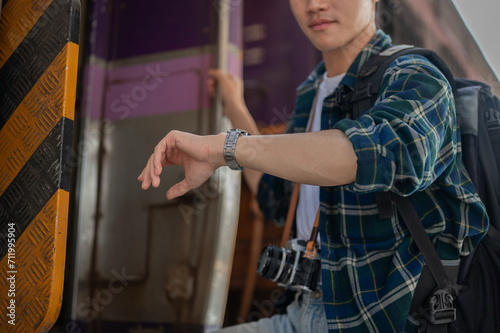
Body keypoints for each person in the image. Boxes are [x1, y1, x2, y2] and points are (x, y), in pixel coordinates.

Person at [138, 0, 489, 331]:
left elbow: (382, 154)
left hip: (385, 319)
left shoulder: (414, 73)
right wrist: (235, 110)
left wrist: (225, 148)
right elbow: (276, 196)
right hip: (303, 312)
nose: (314, 5)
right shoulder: (313, 90)